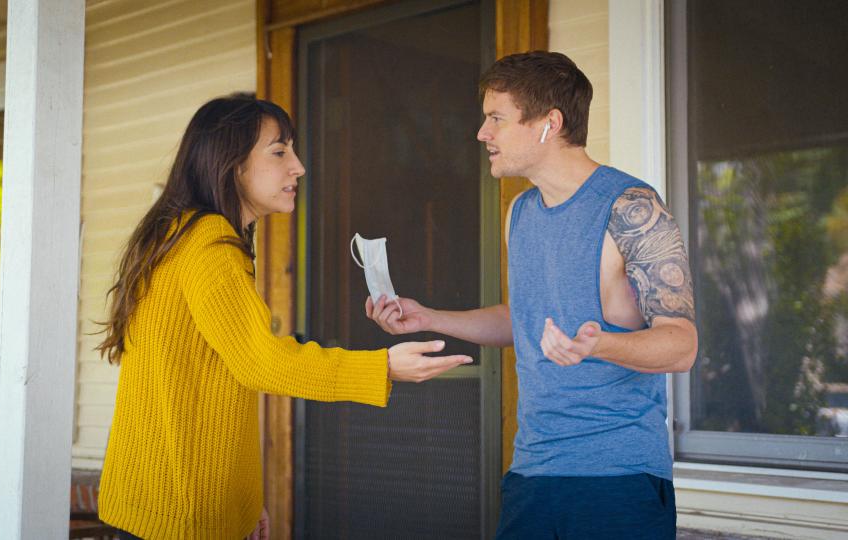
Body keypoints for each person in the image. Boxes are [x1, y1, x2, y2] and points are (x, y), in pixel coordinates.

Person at [94, 95, 473, 540]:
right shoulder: (210, 245)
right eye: (279, 152)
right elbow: (261, 362)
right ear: (232, 164)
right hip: (182, 514)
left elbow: (211, 379)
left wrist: (244, 499)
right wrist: (383, 366)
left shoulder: (178, 234)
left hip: (151, 501)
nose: (298, 167)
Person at [367, 51, 697, 539]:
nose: (482, 133)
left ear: (549, 123)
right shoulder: (520, 213)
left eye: (496, 118)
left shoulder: (630, 207)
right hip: (532, 473)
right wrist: (429, 317)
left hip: (616, 479)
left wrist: (598, 344)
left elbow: (681, 345)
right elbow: (521, 318)